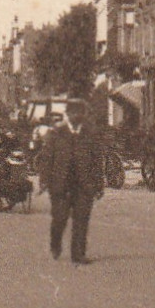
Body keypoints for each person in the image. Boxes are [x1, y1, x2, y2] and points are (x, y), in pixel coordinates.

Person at [38, 104, 104, 265]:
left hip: (84, 185)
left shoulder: (90, 134)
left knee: (81, 220)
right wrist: (44, 180)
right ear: (67, 114)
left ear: (83, 114)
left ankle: (78, 254)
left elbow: (97, 161)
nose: (76, 116)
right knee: (59, 219)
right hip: (61, 185)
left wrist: (99, 185)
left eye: (80, 112)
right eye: (73, 113)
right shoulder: (56, 133)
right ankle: (55, 244)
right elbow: (46, 158)